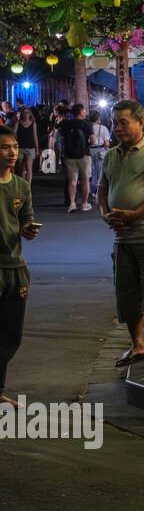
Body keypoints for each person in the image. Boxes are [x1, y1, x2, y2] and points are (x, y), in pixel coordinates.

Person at [99, 100, 144, 372]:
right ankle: (137, 344)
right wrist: (106, 214)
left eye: (123, 122)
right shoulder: (110, 155)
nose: (117, 128)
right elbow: (102, 190)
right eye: (114, 122)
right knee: (127, 294)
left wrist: (135, 214)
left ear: (140, 122)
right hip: (122, 238)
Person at [0, 126, 40, 407]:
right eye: (5, 147)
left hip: (16, 268)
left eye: (14, 146)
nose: (12, 152)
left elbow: (27, 219)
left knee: (10, 336)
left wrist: (28, 229)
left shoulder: (21, 186)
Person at [58, 103, 93, 212]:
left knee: (72, 180)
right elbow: (93, 140)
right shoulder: (87, 124)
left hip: (69, 155)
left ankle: (72, 203)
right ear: (81, 112)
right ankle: (84, 203)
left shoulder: (67, 124)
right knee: (85, 179)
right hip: (84, 155)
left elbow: (62, 140)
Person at [87, 109, 111, 196]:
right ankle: (97, 190)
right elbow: (107, 143)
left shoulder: (87, 127)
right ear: (98, 118)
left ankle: (89, 189)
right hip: (100, 151)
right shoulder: (103, 128)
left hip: (88, 150)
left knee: (89, 171)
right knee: (99, 171)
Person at [15, 108, 39, 183]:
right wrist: (17, 120)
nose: (26, 114)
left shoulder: (33, 123)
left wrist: (37, 149)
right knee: (21, 169)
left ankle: (28, 188)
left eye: (28, 112)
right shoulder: (18, 122)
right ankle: (23, 186)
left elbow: (35, 137)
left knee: (29, 169)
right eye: (24, 113)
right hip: (20, 148)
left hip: (30, 148)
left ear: (30, 114)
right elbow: (13, 134)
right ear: (22, 114)